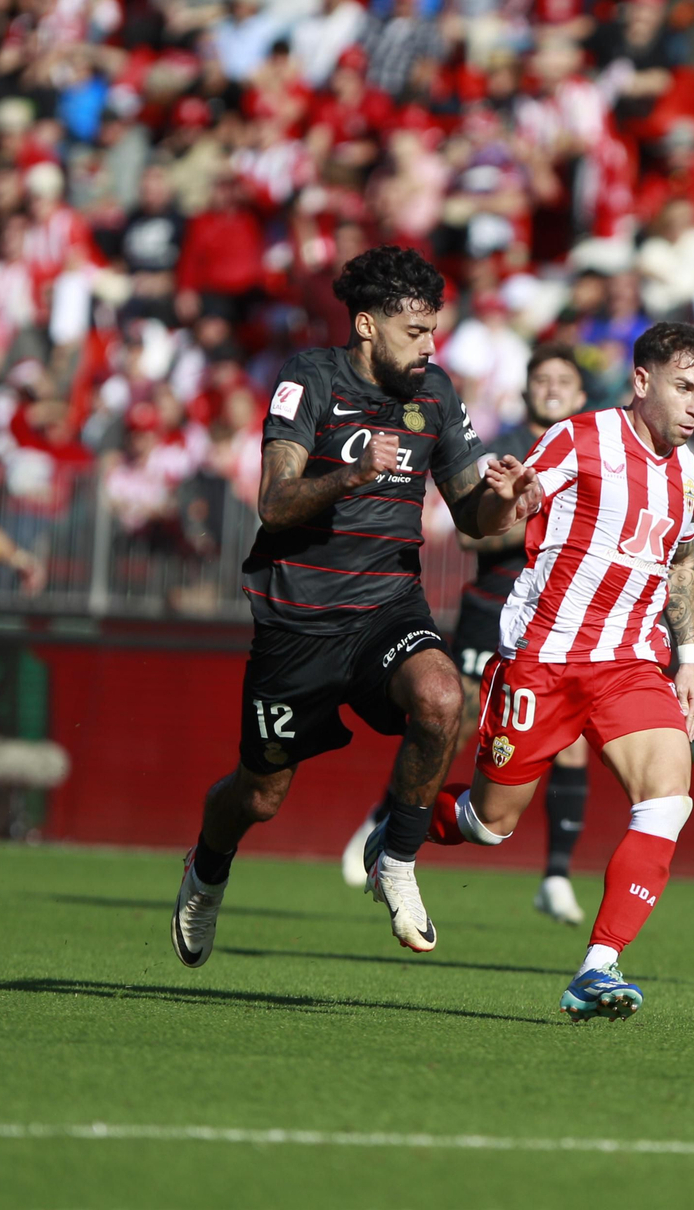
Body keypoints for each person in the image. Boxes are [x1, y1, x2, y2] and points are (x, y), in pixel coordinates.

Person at [170, 246, 528, 969]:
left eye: (434, 330)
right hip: (297, 621)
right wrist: (353, 475)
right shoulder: (309, 378)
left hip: (387, 605)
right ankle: (208, 868)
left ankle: (395, 856)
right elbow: (273, 502)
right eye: (414, 331)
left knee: (441, 698)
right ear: (366, 326)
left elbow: (472, 520)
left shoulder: (437, 395)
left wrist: (505, 499)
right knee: (260, 796)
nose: (429, 346)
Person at [419, 321, 694, 1023]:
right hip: (544, 660)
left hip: (628, 663)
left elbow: (677, 558)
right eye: (683, 387)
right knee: (490, 825)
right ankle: (407, 826)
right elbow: (496, 518)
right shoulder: (578, 439)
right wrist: (508, 494)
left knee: (669, 798)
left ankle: (599, 965)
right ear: (641, 382)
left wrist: (688, 658)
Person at [339, 345, 595, 927]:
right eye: (541, 379)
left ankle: (555, 876)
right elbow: (473, 534)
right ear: (526, 390)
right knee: (461, 717)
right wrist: (533, 516)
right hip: (497, 602)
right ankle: (388, 815)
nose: (552, 388)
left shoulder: (592, 446)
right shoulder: (500, 445)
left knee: (573, 736)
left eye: (564, 381)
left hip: (562, 609)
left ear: (581, 396)